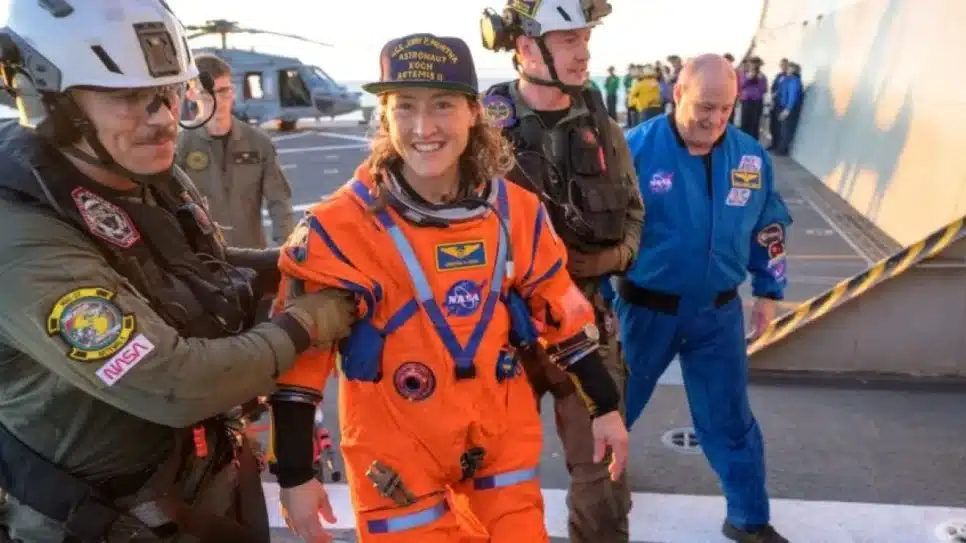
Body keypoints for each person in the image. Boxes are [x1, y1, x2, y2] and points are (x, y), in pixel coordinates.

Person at [0, 1, 353, 541]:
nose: (164, 117)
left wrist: (301, 262)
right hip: (105, 523)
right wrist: (311, 321)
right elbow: (174, 382)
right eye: (128, 98)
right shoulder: (23, 238)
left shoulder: (134, 174)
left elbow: (195, 269)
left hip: (200, 497)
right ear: (52, 103)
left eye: (168, 92)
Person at [265, 33, 630, 543]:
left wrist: (604, 406)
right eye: (405, 107)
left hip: (499, 443)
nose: (423, 127)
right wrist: (295, 475)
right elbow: (298, 371)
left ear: (474, 112)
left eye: (442, 105)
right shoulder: (336, 230)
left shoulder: (516, 214)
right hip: (396, 462)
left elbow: (563, 313)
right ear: (384, 116)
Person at [478, 1, 643, 541]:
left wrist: (609, 260)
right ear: (527, 47)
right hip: (503, 336)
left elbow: (636, 216)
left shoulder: (602, 127)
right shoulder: (480, 132)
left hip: (588, 328)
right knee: (488, 482)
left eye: (585, 38)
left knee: (602, 488)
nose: (585, 52)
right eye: (570, 40)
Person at [617, 54, 792, 543]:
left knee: (730, 419)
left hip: (718, 314)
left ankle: (749, 518)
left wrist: (768, 292)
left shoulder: (751, 158)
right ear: (677, 94)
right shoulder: (632, 150)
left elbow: (769, 226)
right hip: (642, 312)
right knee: (611, 410)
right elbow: (595, 233)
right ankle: (601, 497)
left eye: (726, 109)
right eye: (704, 107)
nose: (714, 120)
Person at [177, 53, 295, 250]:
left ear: (232, 91)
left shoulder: (258, 142)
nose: (218, 101)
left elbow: (279, 202)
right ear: (191, 94)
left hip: (252, 255)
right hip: (204, 260)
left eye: (223, 91)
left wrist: (288, 251)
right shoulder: (180, 145)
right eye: (208, 94)